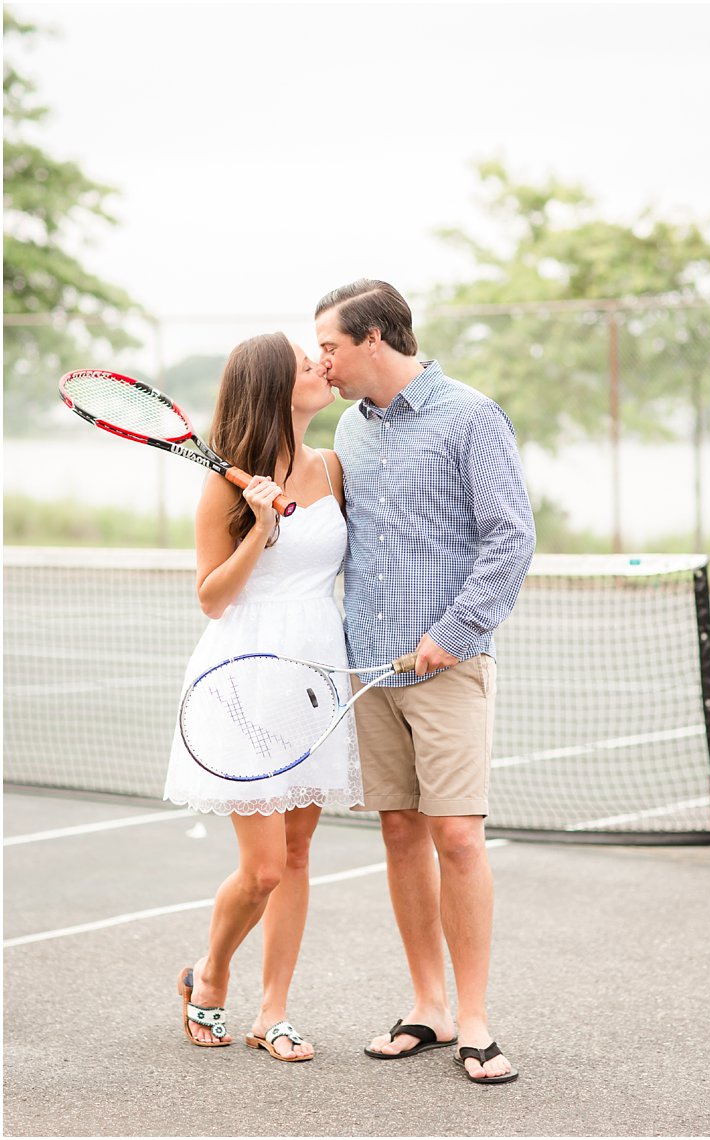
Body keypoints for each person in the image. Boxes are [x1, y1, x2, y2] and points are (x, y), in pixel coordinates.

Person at [315, 279, 535, 1086]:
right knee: (400, 833)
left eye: (331, 347)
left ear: (375, 338)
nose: (322, 362)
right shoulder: (349, 428)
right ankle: (429, 1007)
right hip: (369, 667)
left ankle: (474, 1019)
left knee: (458, 837)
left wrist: (451, 634)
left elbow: (511, 537)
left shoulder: (472, 416)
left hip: (450, 666)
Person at [166, 332, 360, 1062]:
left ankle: (272, 1012)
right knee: (265, 868)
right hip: (243, 674)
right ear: (276, 386)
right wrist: (263, 529)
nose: (320, 367)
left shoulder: (334, 467)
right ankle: (209, 976)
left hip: (315, 674)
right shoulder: (224, 485)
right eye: (307, 363)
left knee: (301, 855)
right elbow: (212, 599)